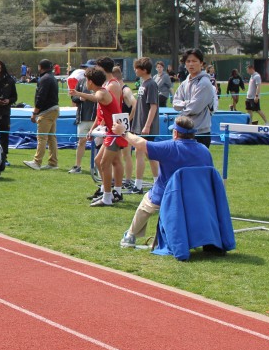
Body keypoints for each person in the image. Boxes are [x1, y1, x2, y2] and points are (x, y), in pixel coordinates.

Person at [114, 115, 214, 248]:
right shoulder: (204, 150)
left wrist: (124, 132)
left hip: (168, 195)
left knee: (146, 202)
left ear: (176, 133)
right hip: (197, 197)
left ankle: (130, 236)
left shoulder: (169, 147)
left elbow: (140, 143)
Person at [70, 60, 126, 206]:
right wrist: (93, 129)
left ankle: (108, 197)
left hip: (114, 133)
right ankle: (107, 193)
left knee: (105, 163)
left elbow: (97, 98)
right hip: (111, 133)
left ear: (90, 81)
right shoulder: (103, 90)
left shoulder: (102, 92)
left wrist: (78, 93)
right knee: (99, 161)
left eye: (86, 80)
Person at [127, 57, 160, 194]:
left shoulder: (151, 84)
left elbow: (153, 106)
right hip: (139, 125)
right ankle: (150, 183)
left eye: (137, 68)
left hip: (146, 127)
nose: (135, 70)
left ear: (144, 70)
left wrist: (147, 125)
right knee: (144, 154)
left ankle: (142, 185)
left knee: (147, 154)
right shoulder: (143, 84)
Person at [173, 48, 217, 148]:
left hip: (200, 133)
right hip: (183, 132)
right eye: (188, 61)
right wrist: (187, 103)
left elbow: (194, 109)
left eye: (194, 61)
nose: (191, 64)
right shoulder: (185, 82)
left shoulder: (204, 83)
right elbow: (175, 104)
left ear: (201, 63)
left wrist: (183, 105)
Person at [24, 59, 59, 171]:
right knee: (51, 138)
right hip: (54, 109)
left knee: (42, 137)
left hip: (47, 111)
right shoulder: (52, 77)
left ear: (40, 67)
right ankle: (53, 163)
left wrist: (34, 113)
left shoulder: (44, 79)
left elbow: (41, 97)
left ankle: (37, 162)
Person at [69, 60, 98, 174]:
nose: (87, 70)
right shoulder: (81, 82)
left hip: (96, 118)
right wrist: (80, 98)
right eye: (86, 68)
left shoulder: (99, 82)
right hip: (83, 117)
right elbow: (73, 97)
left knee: (97, 144)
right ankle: (77, 166)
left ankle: (96, 167)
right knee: (81, 142)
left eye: (89, 68)